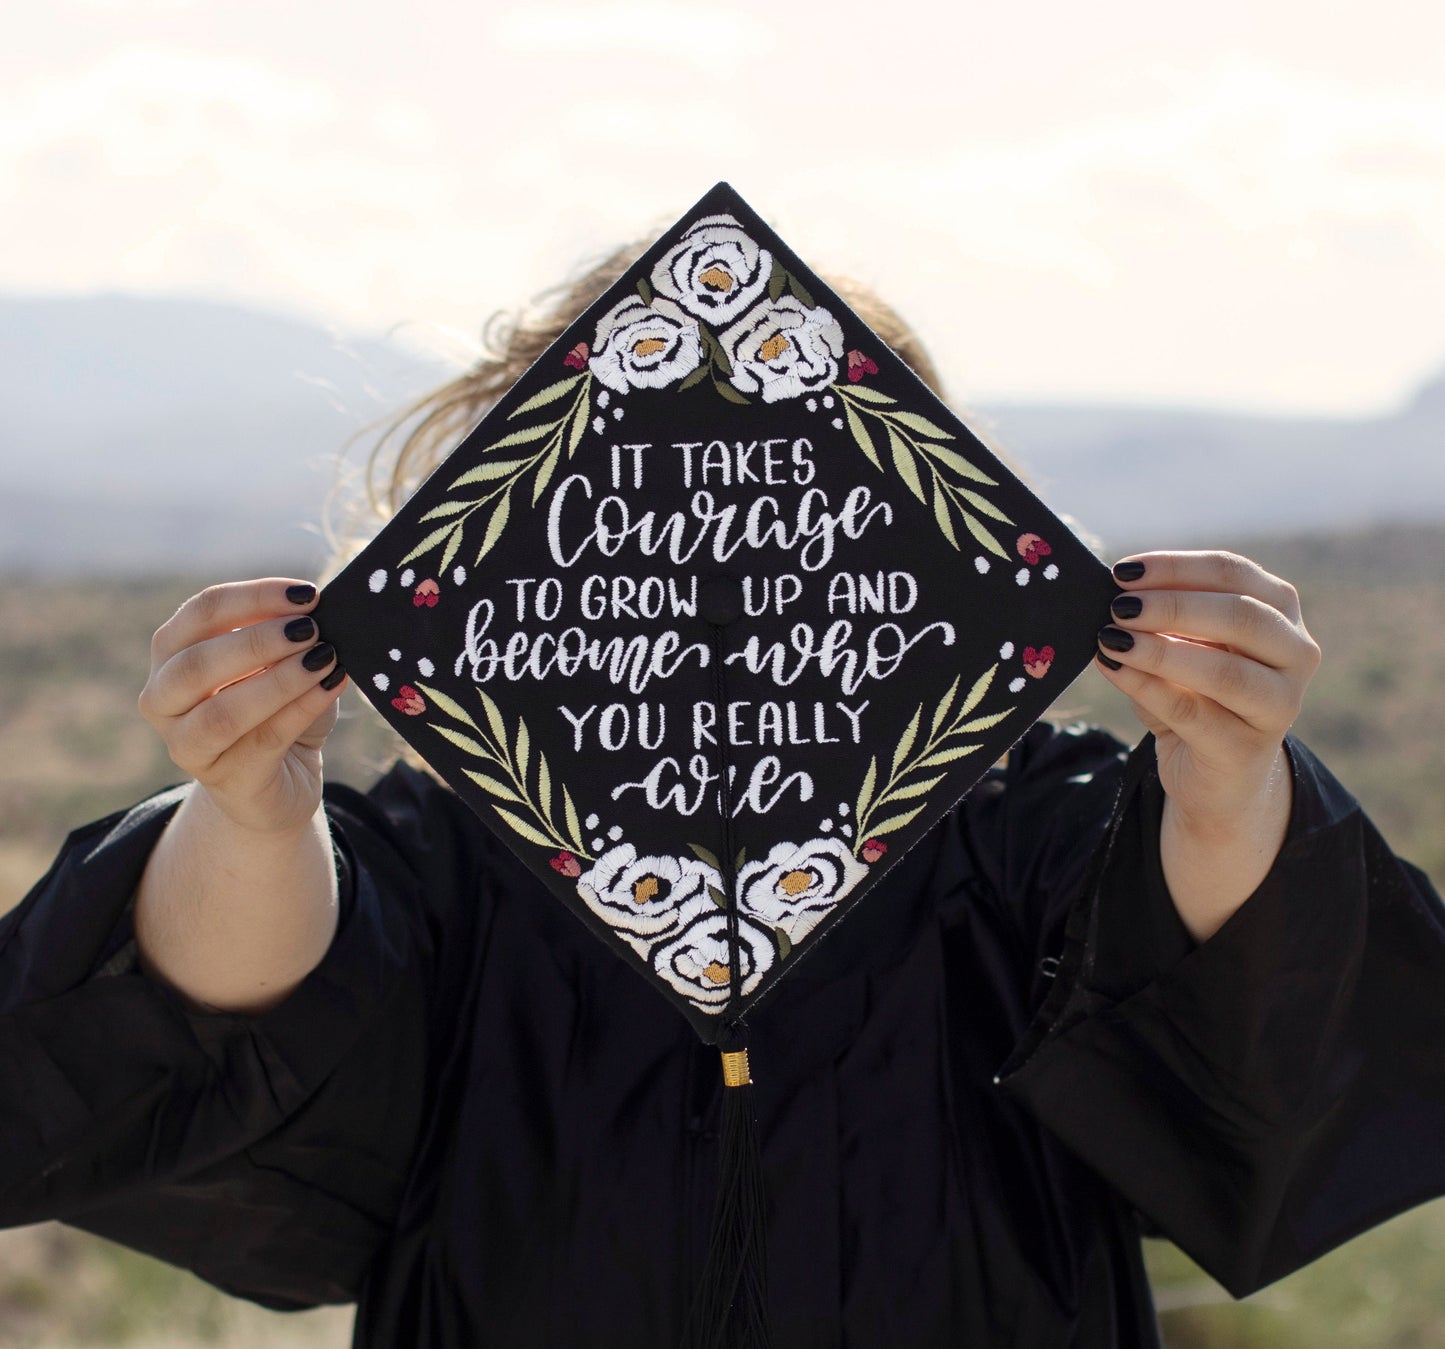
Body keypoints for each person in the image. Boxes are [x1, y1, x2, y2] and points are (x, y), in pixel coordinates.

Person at [2, 249, 1443, 1349]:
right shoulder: (454, 859)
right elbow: (237, 1013)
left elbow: (1229, 977)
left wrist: (1223, 774)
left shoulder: (1017, 829)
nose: (718, 593)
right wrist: (251, 807)